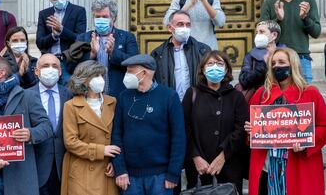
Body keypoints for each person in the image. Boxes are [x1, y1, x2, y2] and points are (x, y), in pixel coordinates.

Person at [245, 48, 326, 195]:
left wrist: (306, 141)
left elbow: (324, 126)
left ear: (293, 65)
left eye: (282, 62)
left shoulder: (310, 93)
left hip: (298, 165)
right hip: (267, 166)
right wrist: (251, 130)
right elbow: (251, 130)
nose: (277, 66)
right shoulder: (261, 94)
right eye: (274, 63)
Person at [111, 54, 186, 195]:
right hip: (129, 178)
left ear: (144, 73)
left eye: (130, 71)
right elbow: (116, 135)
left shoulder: (169, 96)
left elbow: (179, 138)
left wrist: (173, 172)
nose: (126, 75)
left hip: (161, 177)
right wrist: (120, 169)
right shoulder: (124, 97)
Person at [0, 56, 52, 195]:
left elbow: (46, 127)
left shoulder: (27, 96)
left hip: (19, 174)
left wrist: (30, 134)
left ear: (1, 73)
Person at [182, 50, 248, 193]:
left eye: (219, 64)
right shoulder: (192, 93)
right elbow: (184, 128)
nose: (214, 67)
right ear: (203, 69)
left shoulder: (236, 97)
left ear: (226, 70)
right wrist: (195, 156)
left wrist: (223, 156)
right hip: (199, 167)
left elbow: (240, 129)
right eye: (210, 64)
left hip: (229, 165)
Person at [61, 60, 119, 195]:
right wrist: (100, 151)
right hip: (82, 170)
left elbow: (118, 136)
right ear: (84, 80)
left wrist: (116, 163)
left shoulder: (112, 102)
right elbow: (70, 142)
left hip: (106, 169)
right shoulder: (71, 105)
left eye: (101, 75)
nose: (100, 79)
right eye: (95, 76)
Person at [260, 0, 321, 84]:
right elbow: (261, 36)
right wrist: (278, 19)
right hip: (277, 59)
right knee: (278, 96)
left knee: (304, 96)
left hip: (301, 58)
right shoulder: (269, 3)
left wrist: (305, 17)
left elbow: (317, 32)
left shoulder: (308, 1)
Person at [76, 0, 139, 98]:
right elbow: (73, 67)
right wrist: (91, 55)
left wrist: (113, 53)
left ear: (113, 18)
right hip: (89, 96)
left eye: (105, 17)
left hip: (118, 96)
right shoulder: (83, 38)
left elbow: (134, 63)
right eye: (97, 17)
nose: (101, 20)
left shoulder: (127, 37)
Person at [29, 54, 72, 195]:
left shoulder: (70, 95)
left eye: (55, 66)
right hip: (37, 164)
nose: (50, 69)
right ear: (36, 71)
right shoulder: (25, 95)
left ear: (60, 72)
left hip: (65, 165)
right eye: (45, 66)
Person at [151, 10, 211, 101]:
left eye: (188, 24)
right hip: (170, 104)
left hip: (197, 104)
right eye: (180, 24)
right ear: (170, 28)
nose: (185, 28)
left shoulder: (203, 50)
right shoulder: (158, 54)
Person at [36, 0, 87, 85]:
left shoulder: (78, 11)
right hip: (49, 62)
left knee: (69, 94)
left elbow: (80, 39)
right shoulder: (44, 14)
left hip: (69, 62)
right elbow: (39, 42)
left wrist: (62, 30)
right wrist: (53, 35)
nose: (58, 0)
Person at [239, 20, 281, 92]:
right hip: (259, 96)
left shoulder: (286, 53)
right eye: (256, 32)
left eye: (261, 32)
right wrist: (262, 66)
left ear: (274, 35)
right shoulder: (251, 55)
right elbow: (244, 81)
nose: (257, 35)